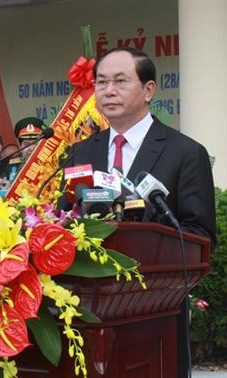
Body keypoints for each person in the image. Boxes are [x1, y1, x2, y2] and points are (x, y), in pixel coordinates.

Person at [59, 47, 216, 378]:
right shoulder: (81, 152)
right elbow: (63, 219)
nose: (108, 90)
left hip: (154, 309)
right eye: (101, 82)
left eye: (120, 80)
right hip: (86, 307)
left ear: (148, 90)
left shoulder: (185, 153)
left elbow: (200, 235)